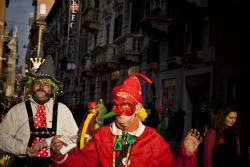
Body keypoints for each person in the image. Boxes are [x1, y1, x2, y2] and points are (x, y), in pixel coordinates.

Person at [50, 73, 202, 167]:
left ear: (137, 107)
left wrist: (187, 156)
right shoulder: (102, 135)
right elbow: (82, 163)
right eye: (116, 105)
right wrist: (60, 156)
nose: (120, 110)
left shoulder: (153, 139)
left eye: (126, 105)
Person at [0, 55, 78, 167]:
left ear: (52, 88)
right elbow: (2, 137)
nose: (41, 86)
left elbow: (74, 137)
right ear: (32, 86)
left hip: (54, 164)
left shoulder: (63, 110)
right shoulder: (17, 111)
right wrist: (22, 148)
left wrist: (49, 142)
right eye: (37, 83)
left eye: (46, 84)